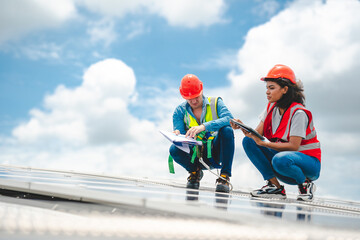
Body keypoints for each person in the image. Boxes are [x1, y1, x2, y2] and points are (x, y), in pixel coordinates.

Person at [230, 64, 321, 201]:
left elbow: (293, 146)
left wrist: (265, 144)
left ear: (285, 89)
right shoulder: (271, 108)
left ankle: (305, 185)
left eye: (271, 88)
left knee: (280, 159)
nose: (267, 92)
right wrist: (242, 127)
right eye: (267, 88)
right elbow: (256, 136)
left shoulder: (299, 113)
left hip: (307, 165)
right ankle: (274, 186)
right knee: (248, 141)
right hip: (284, 163)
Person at [169, 74, 235, 193]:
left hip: (216, 151)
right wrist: (178, 134)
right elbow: (181, 135)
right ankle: (195, 172)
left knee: (227, 130)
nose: (193, 101)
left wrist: (204, 127)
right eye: (190, 99)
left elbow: (230, 119)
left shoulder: (216, 103)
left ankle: (224, 177)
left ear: (201, 89)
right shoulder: (179, 111)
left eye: (196, 97)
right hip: (196, 155)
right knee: (174, 149)